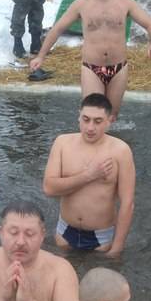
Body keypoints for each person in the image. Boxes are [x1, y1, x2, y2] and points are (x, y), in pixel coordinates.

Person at [30, 0, 151, 120]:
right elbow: (57, 29)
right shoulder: (82, 4)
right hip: (92, 68)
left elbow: (150, 24)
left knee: (111, 116)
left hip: (118, 68)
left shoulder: (124, 2)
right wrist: (41, 56)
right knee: (93, 114)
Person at [43, 93, 135, 256]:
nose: (90, 127)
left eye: (98, 121)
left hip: (102, 237)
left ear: (109, 121)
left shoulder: (121, 151)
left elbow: (127, 203)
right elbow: (49, 188)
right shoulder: (62, 143)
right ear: (79, 116)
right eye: (86, 119)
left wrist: (117, 248)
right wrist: (89, 175)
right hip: (64, 232)